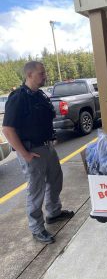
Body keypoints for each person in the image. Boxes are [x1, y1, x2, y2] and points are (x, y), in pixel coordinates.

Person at [3, 61, 74, 244]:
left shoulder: (40, 95)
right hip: (31, 151)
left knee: (55, 181)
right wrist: (25, 155)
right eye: (41, 74)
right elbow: (8, 130)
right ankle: (36, 228)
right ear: (30, 75)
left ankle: (53, 213)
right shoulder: (18, 97)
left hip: (47, 147)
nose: (45, 76)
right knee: (36, 190)